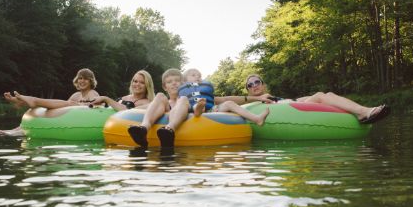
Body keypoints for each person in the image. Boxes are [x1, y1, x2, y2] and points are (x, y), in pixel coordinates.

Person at [127, 68, 270, 149]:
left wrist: (257, 98)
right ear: (165, 86)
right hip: (163, 138)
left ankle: (169, 130)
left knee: (183, 99)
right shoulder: (162, 101)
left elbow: (228, 99)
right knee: (159, 96)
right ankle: (143, 129)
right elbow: (136, 108)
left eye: (177, 81)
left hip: (189, 140)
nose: (174, 84)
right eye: (170, 82)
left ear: (184, 83)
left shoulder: (197, 97)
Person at [238, 74, 390, 124]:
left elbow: (288, 100)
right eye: (250, 85)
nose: (254, 85)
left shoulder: (271, 95)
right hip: (288, 109)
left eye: (257, 82)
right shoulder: (252, 102)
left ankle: (362, 111)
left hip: (291, 102)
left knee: (327, 94)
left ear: (263, 84)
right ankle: (363, 111)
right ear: (248, 90)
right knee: (318, 95)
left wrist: (300, 99)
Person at [0, 68, 100, 136]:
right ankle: (16, 129)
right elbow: (64, 110)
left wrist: (78, 104)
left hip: (83, 119)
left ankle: (30, 101)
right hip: (72, 113)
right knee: (44, 108)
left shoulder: (92, 93)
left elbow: (96, 107)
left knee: (69, 103)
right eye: (80, 78)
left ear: (91, 81)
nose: (82, 81)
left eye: (86, 79)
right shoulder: (76, 95)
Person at [90, 70, 155, 110]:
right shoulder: (124, 97)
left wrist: (106, 99)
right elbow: (112, 108)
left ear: (147, 86)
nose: (137, 84)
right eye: (135, 81)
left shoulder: (147, 103)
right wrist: (101, 104)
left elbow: (128, 112)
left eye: (142, 82)